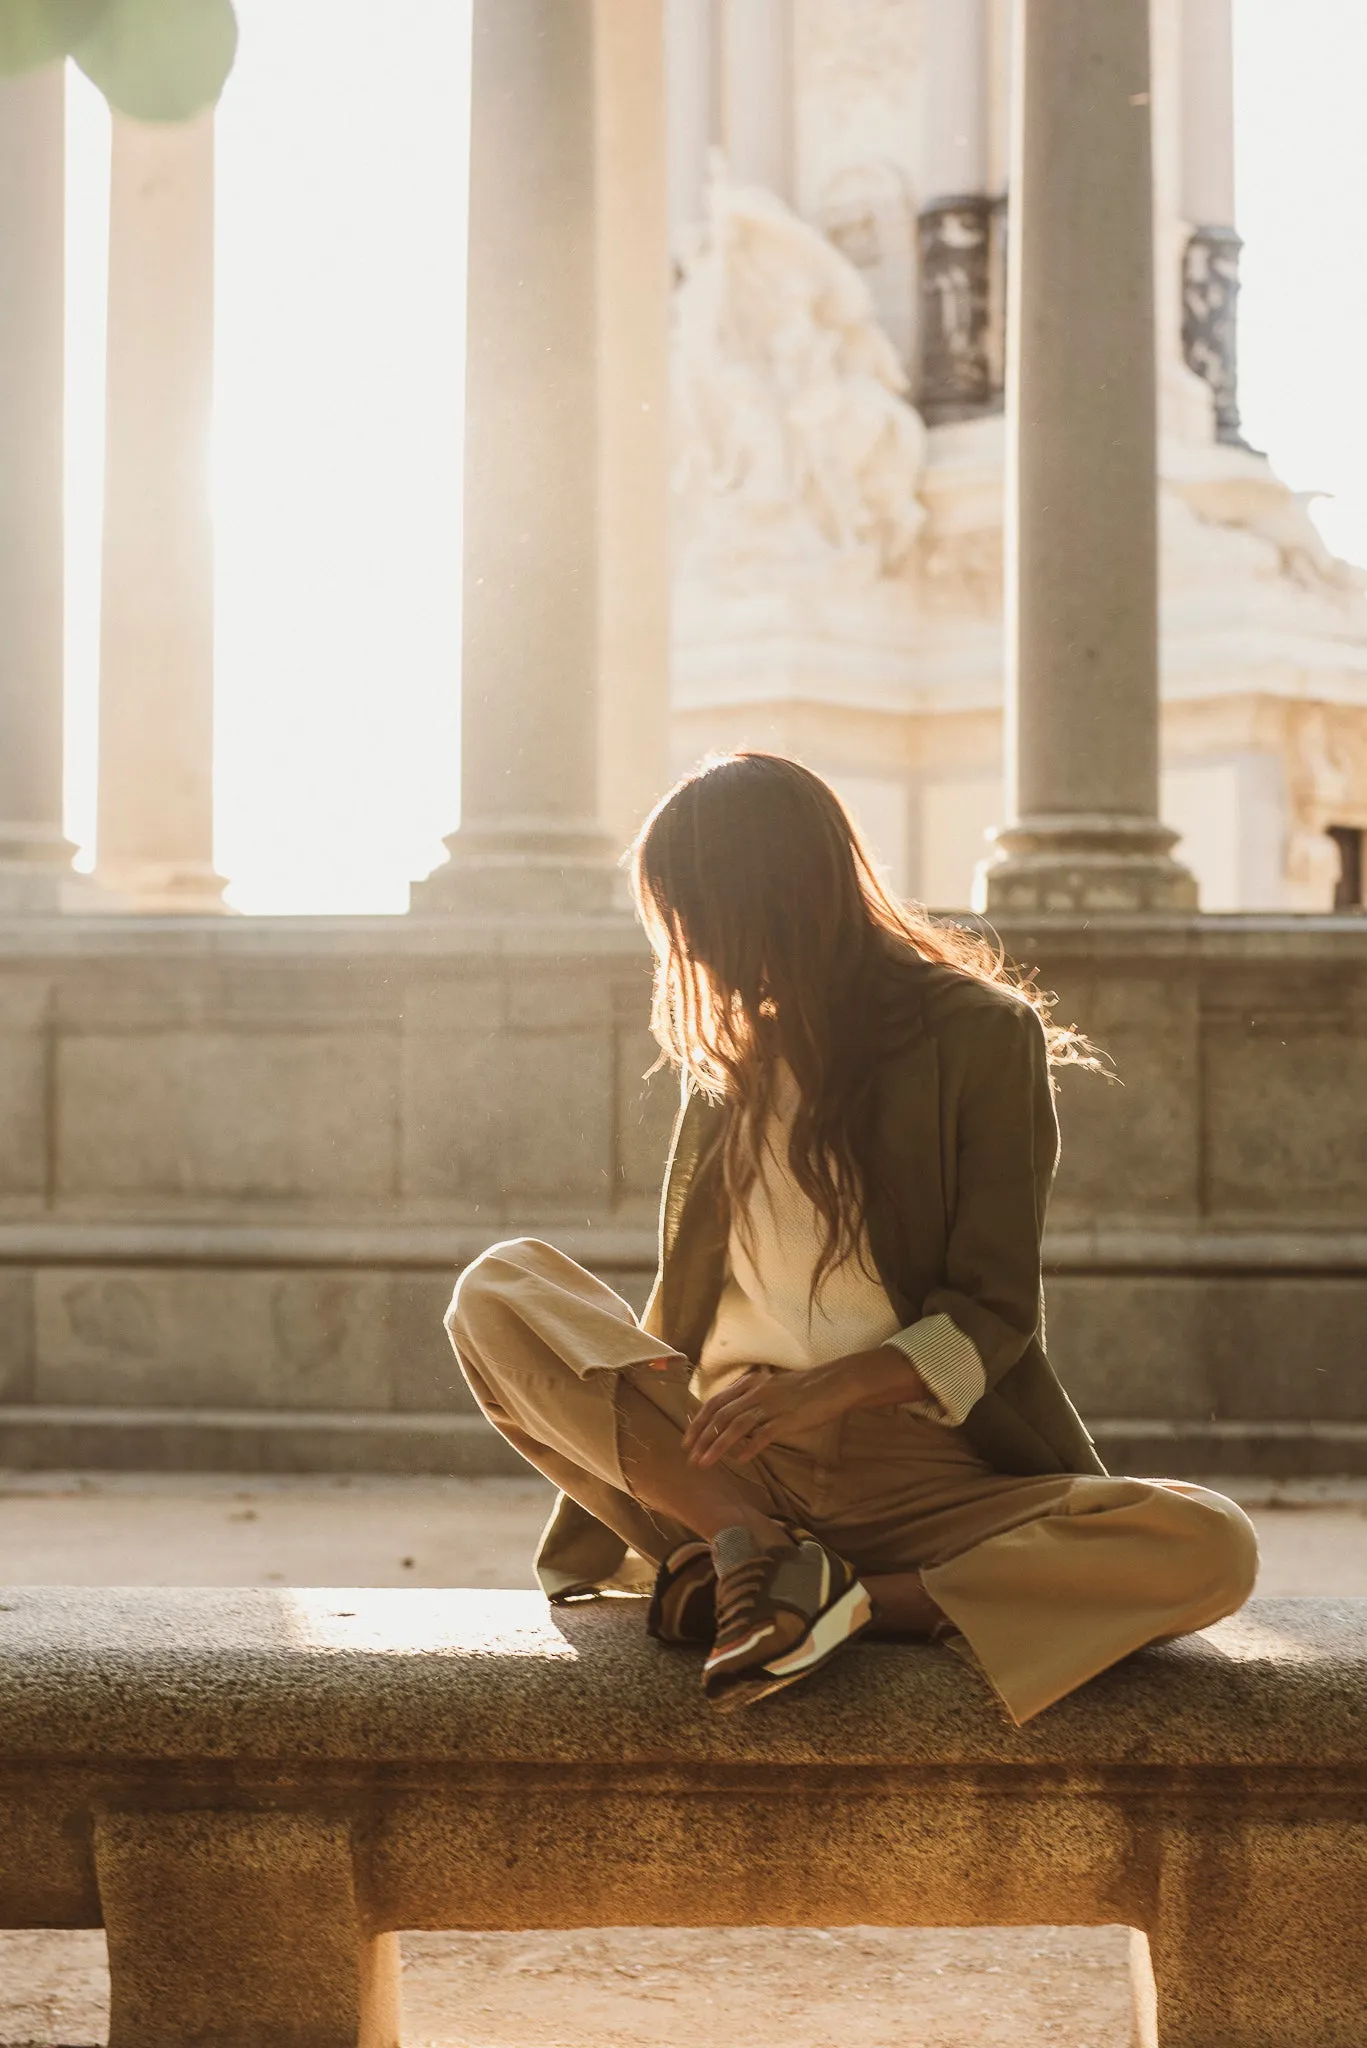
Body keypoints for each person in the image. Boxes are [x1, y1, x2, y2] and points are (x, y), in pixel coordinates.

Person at [445, 752, 1257, 1721]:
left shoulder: (979, 1035)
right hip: (721, 1463)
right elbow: (684, 1302)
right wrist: (716, 1439)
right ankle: (752, 1551)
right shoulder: (731, 1063)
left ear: (777, 890)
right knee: (499, 1286)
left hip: (923, 1473)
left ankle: (840, 1599)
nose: (691, 946)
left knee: (1208, 1540)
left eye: (699, 908)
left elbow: (992, 1312)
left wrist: (822, 1391)